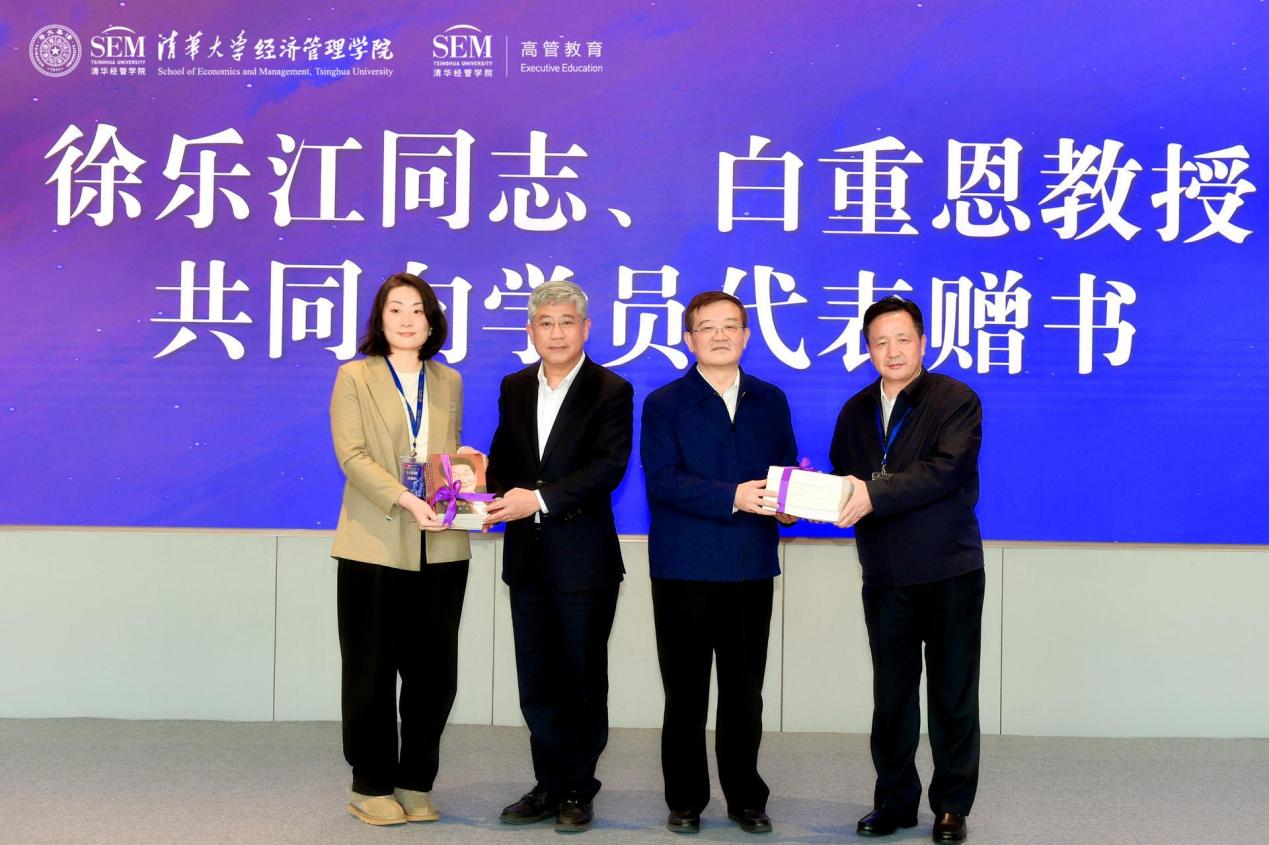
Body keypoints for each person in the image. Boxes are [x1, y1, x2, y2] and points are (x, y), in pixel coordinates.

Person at [828, 296, 985, 844]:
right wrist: (801, 496)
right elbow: (844, 481)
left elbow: (944, 471)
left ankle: (951, 806)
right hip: (885, 574)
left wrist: (872, 492)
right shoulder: (854, 411)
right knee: (892, 698)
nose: (892, 351)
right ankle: (894, 802)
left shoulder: (956, 400)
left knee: (952, 694)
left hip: (949, 570)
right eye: (880, 342)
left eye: (902, 339)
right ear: (868, 349)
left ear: (922, 342)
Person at [640, 291, 798, 835]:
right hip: (683, 567)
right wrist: (734, 496)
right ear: (690, 339)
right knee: (685, 692)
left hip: (750, 566)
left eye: (731, 326)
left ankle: (746, 798)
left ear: (746, 336)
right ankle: (685, 799)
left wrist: (790, 504)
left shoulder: (770, 400)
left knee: (744, 693)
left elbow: (783, 472)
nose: (719, 335)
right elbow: (663, 482)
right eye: (707, 327)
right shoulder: (664, 403)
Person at [485, 279, 634, 833]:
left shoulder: (610, 390)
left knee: (581, 681)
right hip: (527, 558)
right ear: (531, 331)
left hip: (583, 560)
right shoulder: (514, 386)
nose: (556, 333)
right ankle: (546, 785)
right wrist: (479, 485)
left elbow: (607, 469)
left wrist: (539, 499)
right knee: (537, 681)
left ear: (585, 329)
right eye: (545, 323)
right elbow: (506, 459)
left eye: (567, 322)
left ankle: (577, 788)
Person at [329, 272, 475, 827]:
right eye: (396, 309)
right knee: (370, 668)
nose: (408, 319)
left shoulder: (448, 380)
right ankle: (369, 783)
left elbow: (442, 453)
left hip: (440, 544)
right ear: (380, 318)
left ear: (433, 321)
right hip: (375, 540)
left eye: (418, 309)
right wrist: (406, 499)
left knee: (433, 672)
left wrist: (465, 466)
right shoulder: (354, 376)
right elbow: (353, 455)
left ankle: (416, 780)